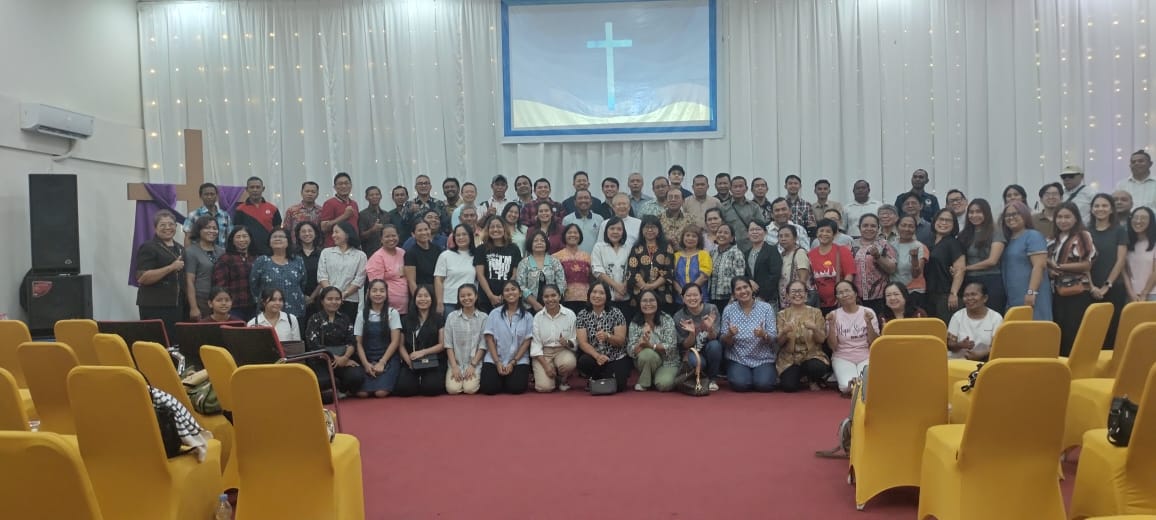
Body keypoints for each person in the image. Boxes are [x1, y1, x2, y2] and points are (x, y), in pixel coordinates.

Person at [1048, 202, 1096, 356]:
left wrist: (1059, 267)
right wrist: (1051, 270)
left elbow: (1086, 265)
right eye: (1059, 217)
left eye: (1067, 217)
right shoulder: (1053, 238)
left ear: (1076, 218)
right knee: (1060, 331)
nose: (1063, 220)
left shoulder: (1082, 235)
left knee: (1074, 331)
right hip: (1057, 291)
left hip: (1077, 292)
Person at [305, 286, 365, 398]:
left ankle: (342, 388)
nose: (334, 302)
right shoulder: (314, 319)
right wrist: (334, 358)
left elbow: (352, 341)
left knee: (357, 376)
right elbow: (313, 344)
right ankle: (333, 388)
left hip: (343, 360)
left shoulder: (345, 318)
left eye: (337, 299)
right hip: (321, 361)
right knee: (326, 389)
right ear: (322, 301)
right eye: (330, 299)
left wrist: (345, 358)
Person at [721, 276, 778, 392]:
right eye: (738, 289)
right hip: (738, 358)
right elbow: (724, 340)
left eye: (745, 287)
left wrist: (764, 335)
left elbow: (773, 338)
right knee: (741, 385)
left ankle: (760, 376)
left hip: (763, 358)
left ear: (751, 289)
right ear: (734, 294)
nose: (743, 291)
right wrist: (730, 334)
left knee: (764, 385)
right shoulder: (728, 310)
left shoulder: (766, 308)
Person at [825, 280, 880, 396]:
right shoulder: (833, 315)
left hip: (866, 355)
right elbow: (833, 346)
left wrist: (869, 323)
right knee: (847, 387)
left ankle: (850, 378)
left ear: (855, 293)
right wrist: (831, 325)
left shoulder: (868, 312)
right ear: (837, 297)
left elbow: (874, 341)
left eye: (847, 291)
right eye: (840, 293)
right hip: (843, 356)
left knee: (869, 386)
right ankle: (841, 374)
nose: (844, 294)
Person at [1000, 201, 1053, 320]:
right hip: (1013, 296)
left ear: (1024, 215)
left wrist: (1031, 292)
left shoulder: (1033, 236)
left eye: (1015, 214)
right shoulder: (1007, 240)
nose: (1011, 217)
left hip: (1032, 295)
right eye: (1007, 215)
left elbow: (1039, 266)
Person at [1088, 193, 1129, 347]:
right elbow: (1084, 261)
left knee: (1113, 330)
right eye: (1097, 206)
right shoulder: (1086, 231)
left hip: (1114, 287)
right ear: (1092, 209)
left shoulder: (1119, 231)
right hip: (1090, 288)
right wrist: (1091, 286)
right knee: (1093, 330)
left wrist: (1107, 285)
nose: (1100, 209)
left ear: (1111, 209)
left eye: (1105, 206)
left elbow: (1120, 261)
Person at [575, 281, 631, 392]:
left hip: (615, 356)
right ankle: (596, 377)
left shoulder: (616, 313)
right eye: (594, 292)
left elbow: (621, 341)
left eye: (601, 293)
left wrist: (607, 336)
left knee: (619, 386)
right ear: (589, 294)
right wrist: (597, 356)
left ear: (607, 296)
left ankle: (600, 379)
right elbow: (582, 343)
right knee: (584, 361)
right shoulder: (582, 314)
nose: (597, 296)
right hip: (595, 357)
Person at [135, 210, 186, 330]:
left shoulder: (180, 248)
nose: (167, 228)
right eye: (162, 225)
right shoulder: (148, 247)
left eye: (171, 224)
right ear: (155, 228)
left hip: (177, 306)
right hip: (155, 306)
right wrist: (171, 267)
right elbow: (142, 278)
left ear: (176, 226)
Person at [776, 280, 830, 392]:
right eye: (793, 291)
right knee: (789, 387)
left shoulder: (816, 312)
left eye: (800, 291)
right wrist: (784, 332)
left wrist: (814, 328)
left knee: (817, 367)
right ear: (787, 295)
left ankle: (812, 378)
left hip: (812, 355)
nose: (797, 294)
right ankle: (800, 376)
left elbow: (821, 339)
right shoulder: (782, 315)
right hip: (790, 358)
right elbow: (779, 343)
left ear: (806, 294)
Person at [480, 280, 533, 395]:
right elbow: (489, 339)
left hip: (518, 360)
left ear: (520, 293)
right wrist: (497, 362)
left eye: (513, 289)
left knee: (516, 388)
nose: (510, 293)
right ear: (503, 295)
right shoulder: (494, 314)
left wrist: (513, 362)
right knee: (489, 389)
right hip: (495, 358)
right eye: (507, 290)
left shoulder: (528, 317)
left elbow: (526, 342)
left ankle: (507, 379)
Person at [394, 285, 447, 397]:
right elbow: (400, 345)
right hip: (411, 360)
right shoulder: (405, 319)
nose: (423, 299)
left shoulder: (438, 319)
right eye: (419, 296)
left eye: (426, 296)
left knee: (431, 388)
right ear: (414, 299)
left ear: (432, 299)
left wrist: (423, 352)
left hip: (431, 360)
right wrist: (408, 361)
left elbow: (442, 344)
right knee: (404, 389)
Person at [354, 279, 402, 398]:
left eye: (382, 291)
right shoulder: (361, 314)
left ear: (386, 293)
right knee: (362, 394)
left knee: (380, 393)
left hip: (388, 358)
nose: (378, 294)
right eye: (374, 291)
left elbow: (395, 341)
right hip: (367, 358)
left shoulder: (393, 313)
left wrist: (382, 362)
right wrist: (365, 364)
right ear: (368, 293)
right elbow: (358, 343)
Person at [957, 199, 1007, 312]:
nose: (974, 215)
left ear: (986, 213)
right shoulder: (963, 235)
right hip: (968, 281)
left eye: (978, 212)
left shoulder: (996, 232)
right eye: (971, 212)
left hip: (991, 280)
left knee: (993, 315)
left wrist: (966, 268)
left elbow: (992, 261)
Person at [249, 228, 307, 322]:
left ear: (288, 241)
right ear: (269, 242)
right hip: (268, 312)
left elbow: (303, 283)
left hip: (295, 310)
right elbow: (254, 285)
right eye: (274, 237)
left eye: (281, 236)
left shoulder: (297, 260)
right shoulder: (262, 260)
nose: (278, 239)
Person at [673, 284, 723, 391]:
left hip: (709, 346)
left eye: (695, 295)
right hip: (691, 350)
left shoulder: (711, 309)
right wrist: (692, 333)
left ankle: (713, 379)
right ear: (682, 298)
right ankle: (701, 378)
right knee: (698, 362)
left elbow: (714, 337)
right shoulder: (679, 316)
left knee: (715, 346)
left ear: (701, 296)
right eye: (688, 296)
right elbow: (685, 345)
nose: (692, 298)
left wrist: (710, 328)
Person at [628, 290, 680, 392]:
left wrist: (651, 345)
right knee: (647, 354)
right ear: (639, 304)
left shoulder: (667, 319)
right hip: (648, 360)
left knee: (664, 385)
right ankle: (645, 382)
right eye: (644, 301)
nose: (648, 304)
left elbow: (671, 347)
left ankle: (653, 377)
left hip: (668, 362)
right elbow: (631, 351)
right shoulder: (635, 322)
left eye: (652, 300)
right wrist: (641, 342)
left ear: (657, 303)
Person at [530, 285, 578, 393]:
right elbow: (536, 345)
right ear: (542, 298)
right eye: (546, 296)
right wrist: (546, 366)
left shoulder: (570, 315)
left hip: (562, 350)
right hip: (543, 353)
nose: (550, 299)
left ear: (559, 296)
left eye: (553, 295)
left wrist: (567, 343)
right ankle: (553, 378)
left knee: (568, 363)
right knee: (544, 388)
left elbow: (575, 340)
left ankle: (562, 378)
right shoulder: (538, 317)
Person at [317, 221, 367, 321]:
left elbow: (359, 280)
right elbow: (322, 276)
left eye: (336, 232)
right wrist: (332, 295)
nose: (333, 235)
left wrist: (343, 295)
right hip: (326, 300)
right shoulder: (326, 252)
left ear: (347, 234)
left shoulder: (360, 255)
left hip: (349, 300)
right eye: (333, 232)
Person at [628, 215, 677, 314]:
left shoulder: (666, 247)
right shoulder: (636, 248)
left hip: (663, 294)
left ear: (659, 229)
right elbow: (632, 271)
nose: (650, 230)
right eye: (646, 227)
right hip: (640, 293)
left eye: (653, 227)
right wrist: (644, 286)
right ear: (642, 230)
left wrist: (652, 286)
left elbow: (668, 271)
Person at [444, 284, 487, 395]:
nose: (466, 298)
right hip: (456, 363)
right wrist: (454, 367)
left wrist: (473, 365)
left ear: (476, 296)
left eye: (469, 295)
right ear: (458, 298)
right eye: (462, 296)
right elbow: (448, 345)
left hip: (474, 362)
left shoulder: (483, 317)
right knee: (452, 390)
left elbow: (483, 345)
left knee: (469, 389)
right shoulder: (451, 317)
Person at [850, 214, 897, 316]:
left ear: (878, 228)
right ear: (859, 227)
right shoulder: (851, 245)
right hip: (856, 298)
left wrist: (878, 256)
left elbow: (892, 269)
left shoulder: (883, 245)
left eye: (873, 226)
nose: (869, 228)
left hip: (879, 297)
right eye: (865, 225)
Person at [475, 215, 522, 313]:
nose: (495, 229)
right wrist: (490, 296)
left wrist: (505, 295)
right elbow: (480, 275)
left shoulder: (514, 249)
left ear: (504, 229)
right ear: (488, 230)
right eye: (492, 227)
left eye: (499, 226)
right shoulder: (481, 249)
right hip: (486, 299)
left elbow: (515, 274)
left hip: (509, 298)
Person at [926, 209, 966, 323]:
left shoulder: (953, 243)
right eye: (941, 219)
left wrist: (953, 293)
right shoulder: (930, 242)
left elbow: (960, 269)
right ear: (935, 221)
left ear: (954, 225)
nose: (943, 223)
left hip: (946, 296)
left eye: (948, 220)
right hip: (929, 294)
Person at [946, 282, 1004, 361]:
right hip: (960, 361)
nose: (969, 298)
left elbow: (997, 346)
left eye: (973, 294)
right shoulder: (957, 316)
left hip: (987, 361)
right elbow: (950, 344)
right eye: (966, 295)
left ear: (985, 298)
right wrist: (960, 345)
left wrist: (981, 354)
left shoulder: (996, 318)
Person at [809, 219, 856, 314]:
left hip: (840, 302)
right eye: (821, 231)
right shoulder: (810, 254)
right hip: (818, 303)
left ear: (834, 235)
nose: (824, 234)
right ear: (817, 233)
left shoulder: (842, 251)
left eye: (828, 231)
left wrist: (843, 294)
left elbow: (849, 274)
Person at [591, 217, 633, 321]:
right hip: (605, 297)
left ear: (623, 232)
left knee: (624, 325)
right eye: (612, 228)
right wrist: (617, 287)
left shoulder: (628, 247)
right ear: (606, 231)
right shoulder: (599, 247)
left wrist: (623, 288)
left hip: (625, 296)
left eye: (619, 229)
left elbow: (632, 268)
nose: (615, 232)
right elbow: (597, 270)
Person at [517, 230, 567, 313]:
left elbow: (562, 283)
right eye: (535, 241)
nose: (539, 243)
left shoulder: (554, 261)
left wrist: (553, 300)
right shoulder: (524, 263)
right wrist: (534, 304)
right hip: (530, 307)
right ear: (530, 244)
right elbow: (521, 286)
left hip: (553, 305)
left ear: (546, 243)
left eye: (542, 240)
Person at [212, 226, 255, 320]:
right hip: (234, 307)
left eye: (245, 236)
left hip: (254, 306)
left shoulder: (256, 258)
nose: (242, 239)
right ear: (233, 240)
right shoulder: (225, 259)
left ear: (250, 239)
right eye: (238, 237)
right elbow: (220, 286)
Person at [365, 225, 410, 316]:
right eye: (387, 236)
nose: (391, 239)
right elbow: (376, 286)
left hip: (405, 309)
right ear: (381, 239)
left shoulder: (403, 253)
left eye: (393, 235)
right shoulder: (377, 257)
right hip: (385, 310)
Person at [184, 216, 223, 320]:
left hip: (220, 299)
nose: (212, 231)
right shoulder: (191, 252)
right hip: (200, 300)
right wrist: (193, 307)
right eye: (207, 228)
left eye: (214, 228)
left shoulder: (221, 251)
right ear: (199, 230)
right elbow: (189, 281)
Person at [434, 224, 477, 316]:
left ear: (470, 236)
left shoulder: (476, 255)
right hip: (449, 302)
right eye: (458, 235)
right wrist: (439, 302)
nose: (461, 237)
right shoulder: (445, 255)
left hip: (470, 301)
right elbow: (438, 280)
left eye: (464, 234)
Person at [233, 176, 282, 256]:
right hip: (248, 253)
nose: (255, 190)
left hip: (269, 252)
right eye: (252, 187)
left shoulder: (273, 208)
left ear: (263, 189)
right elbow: (237, 232)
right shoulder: (240, 210)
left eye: (258, 187)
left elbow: (277, 230)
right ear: (247, 189)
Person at [890, 215, 930, 311]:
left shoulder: (920, 247)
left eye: (911, 226)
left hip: (914, 291)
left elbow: (916, 274)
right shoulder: (890, 245)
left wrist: (914, 257)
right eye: (903, 225)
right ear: (897, 227)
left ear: (915, 229)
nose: (907, 229)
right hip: (895, 291)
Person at [553, 224, 592, 313]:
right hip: (564, 300)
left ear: (580, 236)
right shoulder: (556, 257)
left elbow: (592, 278)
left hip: (585, 299)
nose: (572, 235)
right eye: (569, 232)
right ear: (564, 236)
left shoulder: (587, 256)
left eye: (575, 232)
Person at [708, 223, 746, 311]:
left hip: (729, 298)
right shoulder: (712, 253)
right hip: (712, 297)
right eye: (719, 232)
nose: (722, 235)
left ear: (732, 238)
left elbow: (739, 278)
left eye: (726, 233)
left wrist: (733, 298)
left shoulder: (736, 253)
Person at [403, 220, 445, 297]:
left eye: (426, 229)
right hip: (421, 293)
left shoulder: (437, 249)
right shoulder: (410, 253)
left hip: (437, 291)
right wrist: (418, 298)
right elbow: (411, 282)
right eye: (420, 230)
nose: (424, 233)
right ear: (413, 234)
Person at [318, 173, 359, 248]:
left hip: (353, 247)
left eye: (346, 183)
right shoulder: (329, 203)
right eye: (340, 184)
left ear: (351, 185)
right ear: (335, 187)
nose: (344, 186)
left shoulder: (354, 204)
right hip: (335, 248)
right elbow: (324, 228)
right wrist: (344, 216)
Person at [719, 176, 761, 249]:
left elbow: (761, 226)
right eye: (735, 187)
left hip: (751, 246)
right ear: (730, 189)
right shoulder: (723, 207)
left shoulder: (754, 207)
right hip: (730, 247)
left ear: (746, 188)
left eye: (741, 186)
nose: (738, 189)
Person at [673, 224, 712, 303]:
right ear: (683, 238)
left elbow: (704, 276)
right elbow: (673, 278)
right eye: (687, 235)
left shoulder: (704, 254)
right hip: (680, 299)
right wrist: (682, 293)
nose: (690, 238)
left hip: (700, 299)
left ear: (699, 239)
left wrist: (689, 293)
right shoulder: (676, 256)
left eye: (694, 236)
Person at [184, 183, 231, 247]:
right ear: (201, 196)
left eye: (212, 194)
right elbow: (188, 237)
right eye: (206, 194)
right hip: (199, 252)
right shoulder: (193, 215)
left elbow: (229, 236)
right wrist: (187, 252)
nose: (209, 197)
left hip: (221, 252)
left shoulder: (225, 215)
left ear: (217, 196)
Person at [1125, 207, 1156, 301]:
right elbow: (1125, 272)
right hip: (1132, 295)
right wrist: (1131, 292)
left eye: (1143, 218)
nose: (1138, 221)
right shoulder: (1126, 243)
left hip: (1152, 294)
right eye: (1135, 217)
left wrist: (1144, 293)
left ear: (1151, 222)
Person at [295, 221, 324, 320]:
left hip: (318, 297)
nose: (307, 234)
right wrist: (302, 296)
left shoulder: (322, 254)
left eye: (310, 231)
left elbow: (325, 276)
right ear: (298, 235)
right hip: (297, 297)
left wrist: (312, 297)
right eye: (303, 231)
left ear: (315, 233)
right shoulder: (293, 254)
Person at [777, 225, 811, 309]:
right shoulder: (782, 255)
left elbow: (803, 279)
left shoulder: (799, 253)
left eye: (787, 236)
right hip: (786, 300)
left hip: (798, 300)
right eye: (780, 236)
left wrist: (797, 296)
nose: (783, 239)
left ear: (795, 238)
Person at [561, 189, 604, 254]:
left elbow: (602, 241)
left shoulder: (599, 219)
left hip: (595, 257)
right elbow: (564, 241)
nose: (583, 200)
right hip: (573, 258)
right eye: (580, 198)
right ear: (575, 202)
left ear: (591, 201)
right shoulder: (567, 220)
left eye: (586, 198)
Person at [358, 186, 387, 255]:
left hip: (386, 251)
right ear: (366, 198)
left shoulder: (386, 214)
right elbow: (360, 236)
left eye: (377, 194)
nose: (375, 197)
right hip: (369, 253)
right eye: (371, 195)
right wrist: (372, 230)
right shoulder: (362, 215)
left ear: (381, 196)